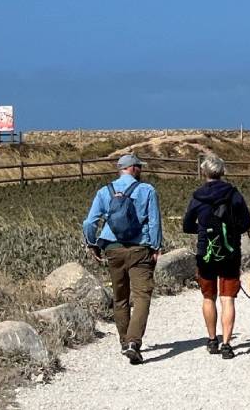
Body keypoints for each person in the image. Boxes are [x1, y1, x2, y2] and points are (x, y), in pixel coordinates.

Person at [82, 154, 162, 365]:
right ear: (133, 168)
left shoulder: (104, 191)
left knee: (120, 298)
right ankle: (134, 342)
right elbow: (154, 222)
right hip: (139, 249)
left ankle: (124, 341)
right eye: (139, 167)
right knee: (142, 296)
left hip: (113, 249)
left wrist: (92, 243)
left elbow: (89, 222)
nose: (141, 170)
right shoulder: (147, 190)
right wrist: (156, 246)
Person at [182, 155, 250, 360]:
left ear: (204, 172)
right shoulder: (234, 194)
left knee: (208, 297)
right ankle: (227, 344)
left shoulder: (197, 197)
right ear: (222, 172)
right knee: (227, 298)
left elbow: (187, 225)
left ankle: (212, 340)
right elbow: (246, 222)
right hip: (230, 252)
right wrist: (231, 232)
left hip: (205, 252)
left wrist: (203, 230)